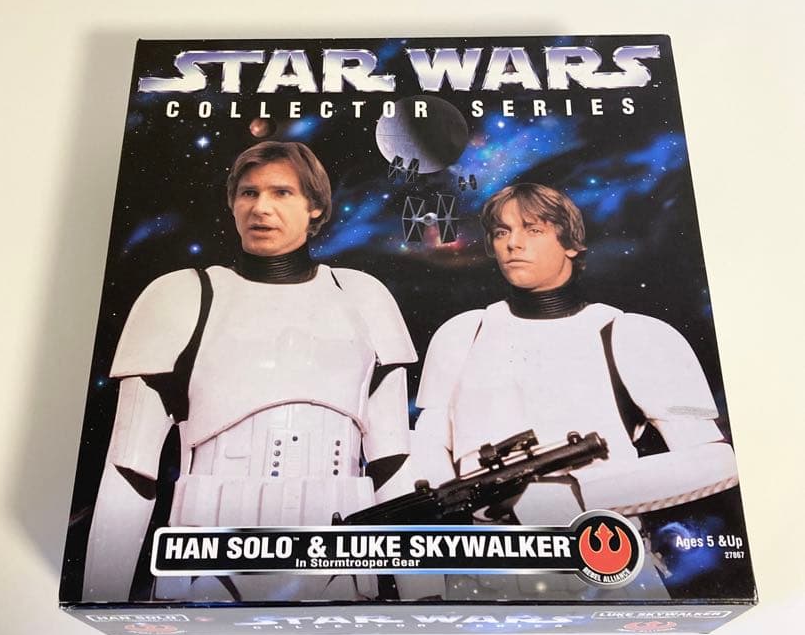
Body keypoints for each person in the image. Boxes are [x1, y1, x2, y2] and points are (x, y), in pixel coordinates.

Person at [83, 141, 416, 602]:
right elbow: (129, 470)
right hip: (204, 563)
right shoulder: (181, 297)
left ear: (315, 207)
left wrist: (425, 593)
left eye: (281, 192)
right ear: (233, 203)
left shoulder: (363, 298)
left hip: (339, 564)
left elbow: (393, 464)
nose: (261, 207)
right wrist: (101, 597)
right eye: (248, 193)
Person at [392, 182, 737, 599]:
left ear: (571, 243)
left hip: (602, 562)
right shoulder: (463, 335)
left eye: (533, 229)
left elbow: (715, 461)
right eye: (501, 232)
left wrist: (579, 494)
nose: (513, 244)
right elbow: (428, 450)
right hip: (484, 571)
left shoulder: (628, 334)